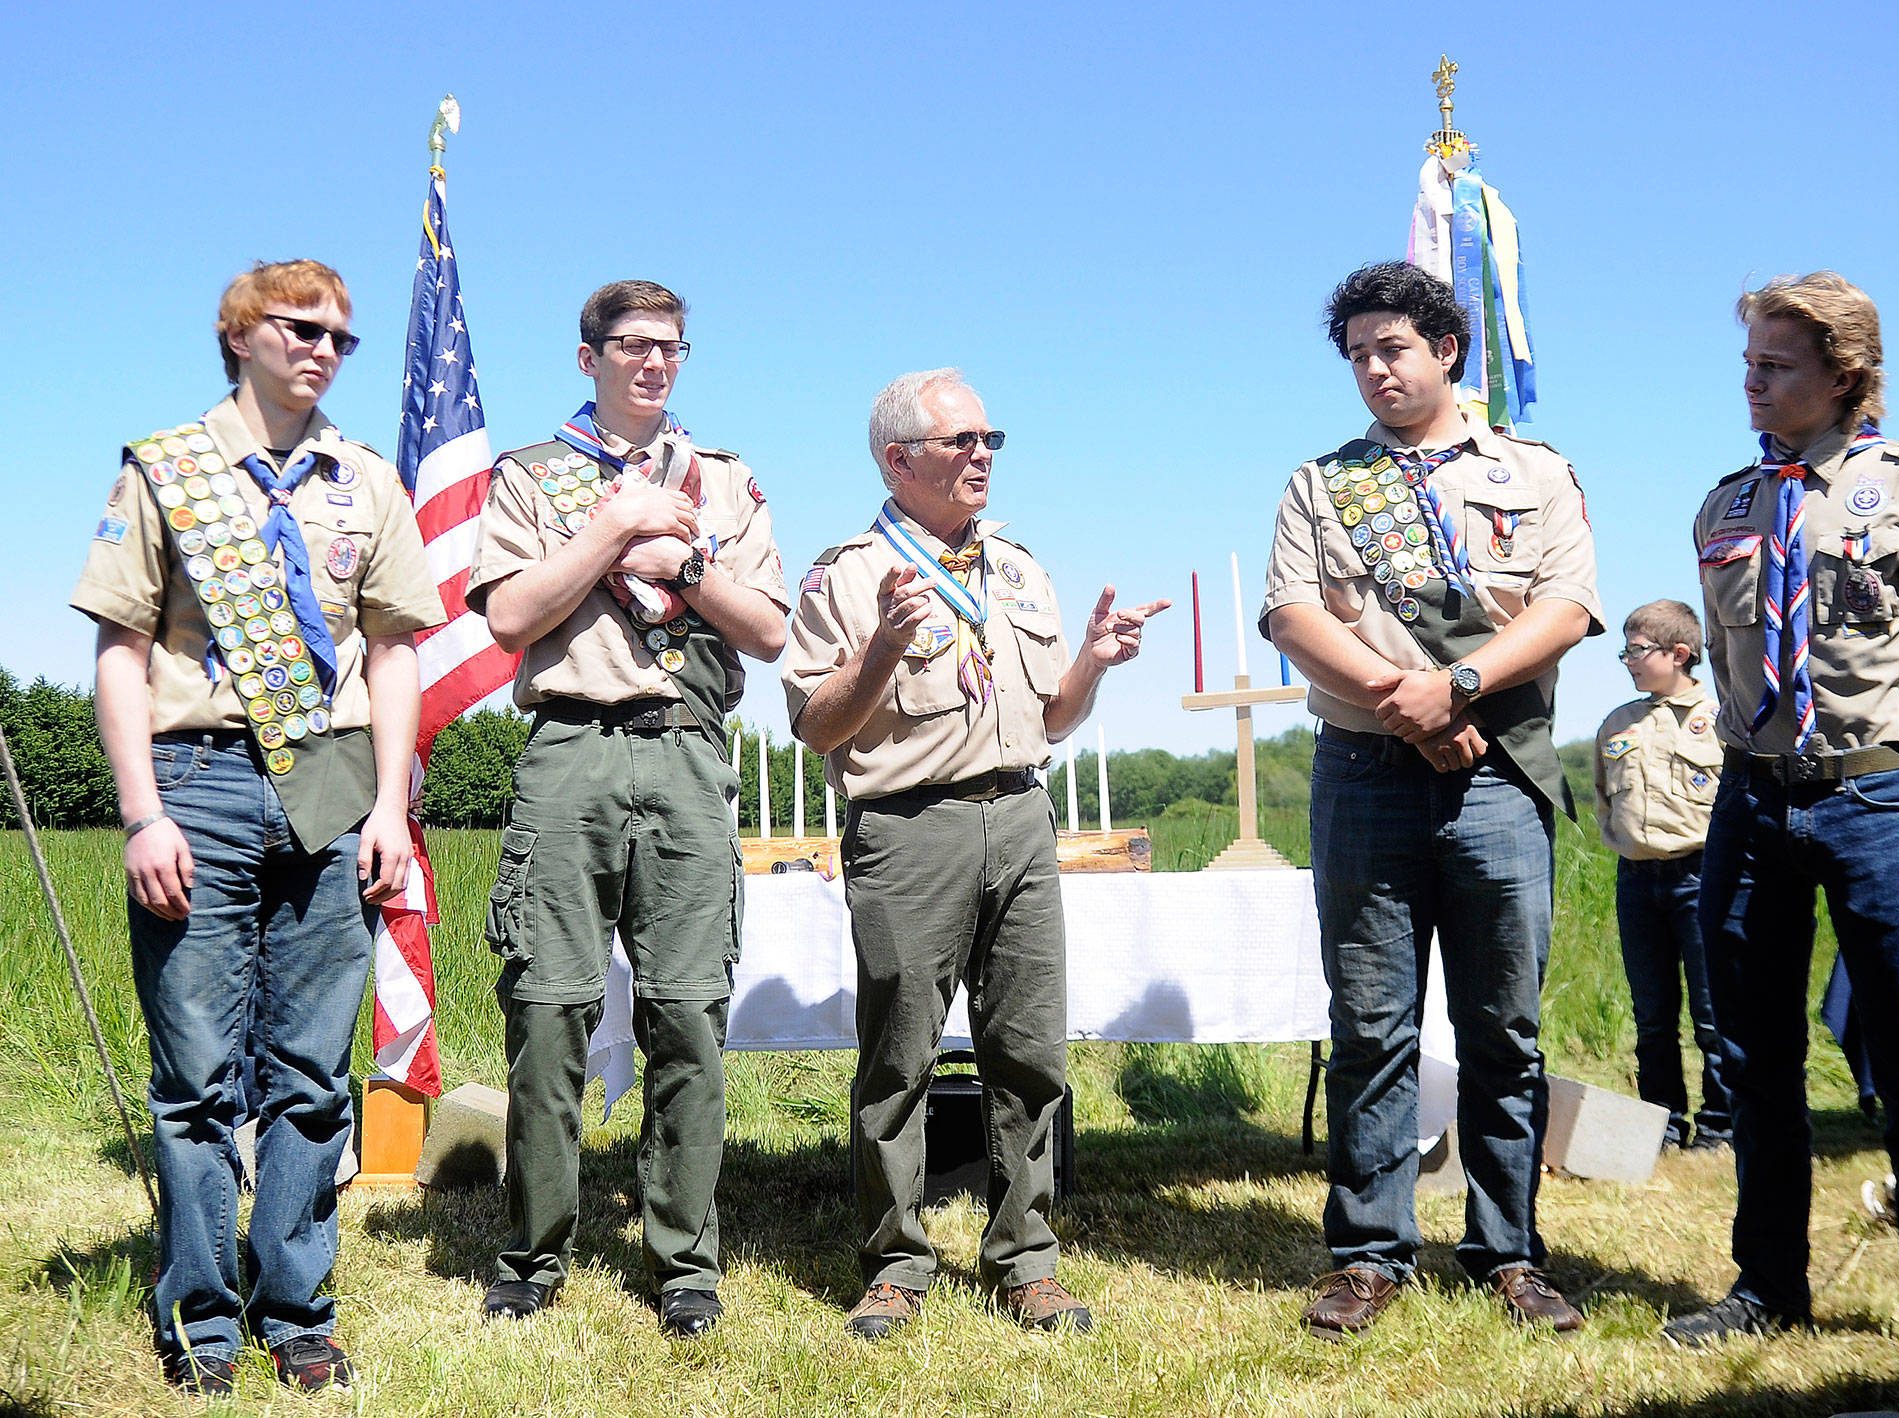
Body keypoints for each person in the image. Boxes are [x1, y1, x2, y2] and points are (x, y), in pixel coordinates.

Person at [73, 259, 444, 1396]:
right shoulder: (168, 469)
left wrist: (389, 802)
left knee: (310, 1071)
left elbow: (393, 649)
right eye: (301, 327)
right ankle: (201, 1314)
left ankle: (296, 1305)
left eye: (342, 336)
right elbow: (122, 652)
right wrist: (141, 812)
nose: (324, 349)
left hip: (333, 787)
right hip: (198, 777)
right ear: (239, 333)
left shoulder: (365, 479)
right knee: (192, 1077)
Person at [1663, 273, 1899, 1364]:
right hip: (1750, 800)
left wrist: (1895, 765)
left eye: (1774, 365)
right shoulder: (1725, 506)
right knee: (1754, 1059)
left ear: (1841, 375)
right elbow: (1730, 663)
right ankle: (1767, 1283)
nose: (1751, 381)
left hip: (1873, 798)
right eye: (1746, 363)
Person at [783, 368, 1165, 1339]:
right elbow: (816, 727)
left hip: (1020, 818)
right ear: (897, 458)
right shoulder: (846, 574)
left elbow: (1051, 717)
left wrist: (1092, 658)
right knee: (899, 1053)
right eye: (960, 441)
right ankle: (894, 1257)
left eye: (991, 438)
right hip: (911, 827)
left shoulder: (1017, 566)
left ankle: (1023, 1256)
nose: (982, 454)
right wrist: (877, 652)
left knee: (1029, 1049)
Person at [1262, 261, 1602, 1340]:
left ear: (1444, 348)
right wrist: (1405, 704)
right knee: (1370, 1024)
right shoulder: (1323, 483)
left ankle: (1507, 1251)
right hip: (1363, 774)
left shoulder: (1534, 472)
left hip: (1497, 772)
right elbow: (1290, 616)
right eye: (1356, 353)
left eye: (1390, 348)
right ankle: (1367, 1253)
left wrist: (1454, 683)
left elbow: (1564, 605)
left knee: (1502, 1026)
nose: (1371, 369)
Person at [469, 280, 788, 1338]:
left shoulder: (724, 479)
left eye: (671, 347)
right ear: (587, 357)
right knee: (549, 1008)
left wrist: (683, 564)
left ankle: (683, 1261)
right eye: (633, 346)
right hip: (571, 750)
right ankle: (533, 1249)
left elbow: (769, 631)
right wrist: (612, 529)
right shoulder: (532, 477)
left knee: (688, 1012)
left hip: (687, 755)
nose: (654, 363)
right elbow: (511, 614)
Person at [1592, 599, 1731, 1152]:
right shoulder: (1618, 723)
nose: (1627, 659)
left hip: (1701, 876)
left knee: (1712, 1014)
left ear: (1680, 654)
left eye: (1637, 650)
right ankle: (1662, 1126)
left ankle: (1720, 1128)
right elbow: (1604, 798)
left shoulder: (1720, 718)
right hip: (1638, 880)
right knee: (1652, 1016)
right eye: (1623, 650)